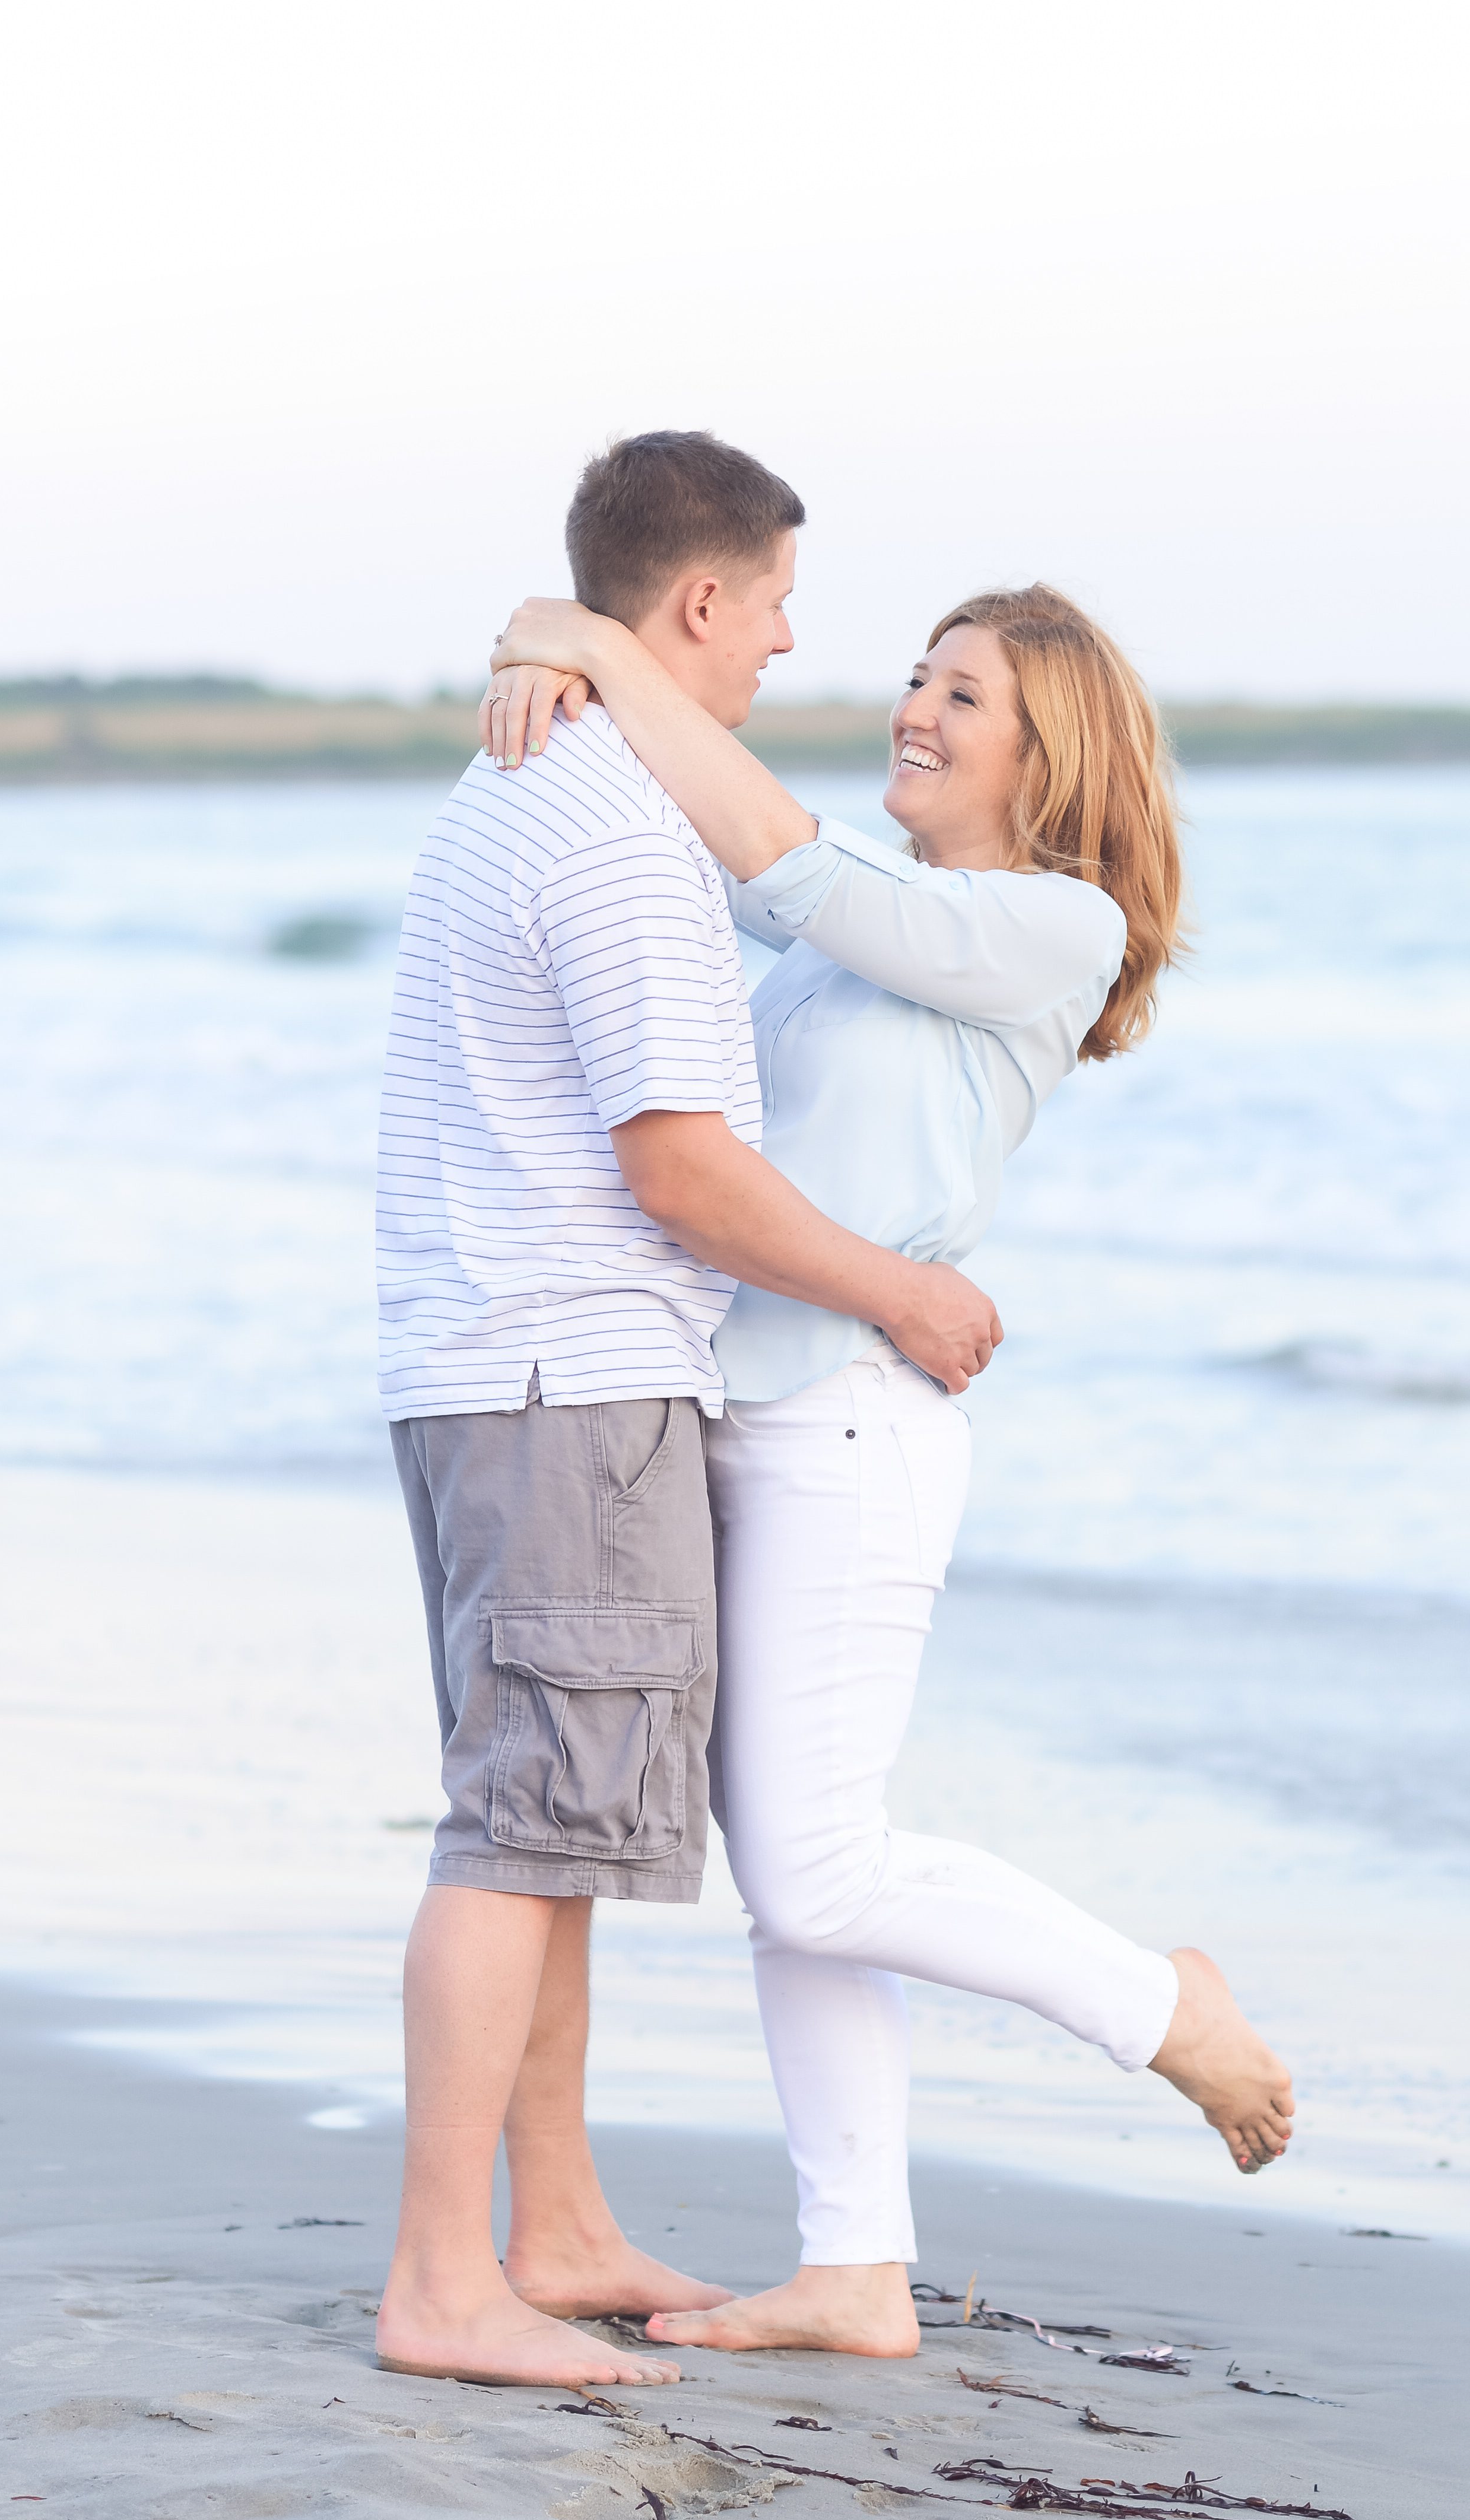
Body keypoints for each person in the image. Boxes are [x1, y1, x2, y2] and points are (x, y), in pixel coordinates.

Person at [480, 536, 1295, 2361]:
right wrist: (562, 657)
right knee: (795, 1878)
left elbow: (778, 857)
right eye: (918, 678)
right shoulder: (846, 946)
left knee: (827, 1868)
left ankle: (1164, 2009)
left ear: (1051, 755)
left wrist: (600, 648)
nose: (916, 710)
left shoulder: (1049, 929)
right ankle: (853, 2266)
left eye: (965, 694)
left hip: (855, 1429)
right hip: (743, 1422)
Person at [374, 432, 1004, 2392]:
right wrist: (902, 1288)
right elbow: (684, 1168)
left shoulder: (530, 776)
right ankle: (438, 2280)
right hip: (574, 1371)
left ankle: (548, 2227)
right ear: (701, 602)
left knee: (547, 1822)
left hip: (492, 1364)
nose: (796, 649)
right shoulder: (621, 832)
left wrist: (552, 635)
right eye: (780, 605)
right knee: (521, 1828)